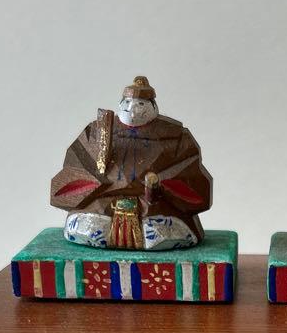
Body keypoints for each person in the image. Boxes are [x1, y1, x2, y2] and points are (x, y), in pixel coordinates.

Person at [50, 76, 212, 250]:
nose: (132, 108)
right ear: (120, 103)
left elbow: (193, 182)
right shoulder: (98, 131)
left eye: (140, 104)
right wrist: (99, 178)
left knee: (162, 232)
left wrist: (157, 184)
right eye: (127, 102)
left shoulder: (175, 136)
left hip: (155, 207)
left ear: (153, 107)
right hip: (102, 204)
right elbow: (73, 173)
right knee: (89, 227)